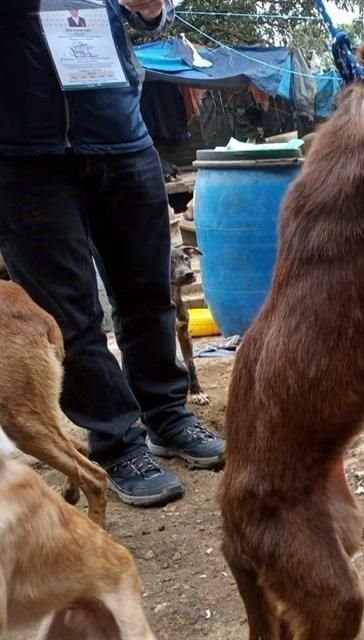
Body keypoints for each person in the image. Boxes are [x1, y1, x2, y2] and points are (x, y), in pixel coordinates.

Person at [0, 0, 225, 507]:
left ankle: (168, 417)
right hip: (23, 150)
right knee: (69, 311)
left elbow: (149, 17)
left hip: (120, 133)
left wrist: (151, 11)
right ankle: (116, 442)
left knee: (149, 292)